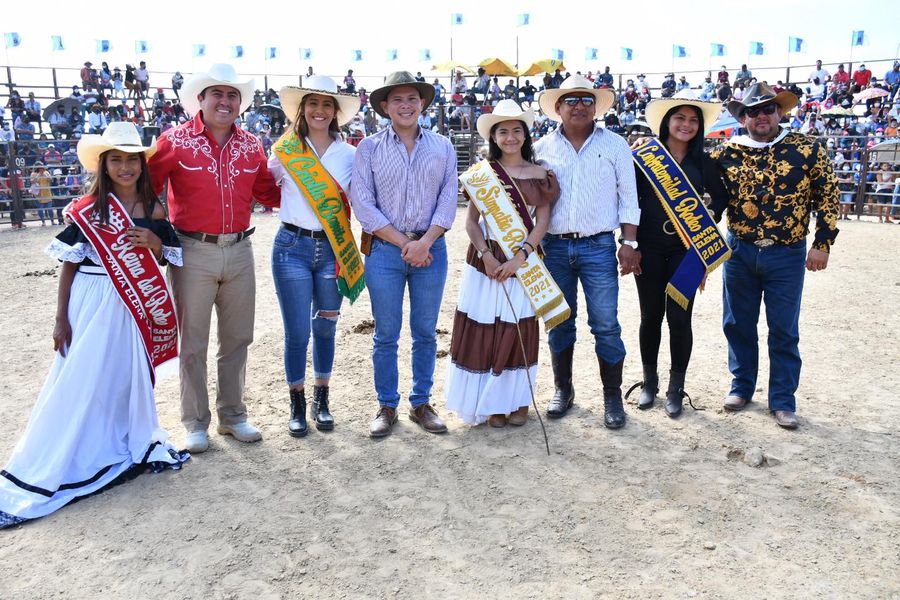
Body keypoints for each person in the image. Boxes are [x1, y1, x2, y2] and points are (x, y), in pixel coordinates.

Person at [0, 123, 188, 529]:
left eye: (132, 160)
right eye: (116, 160)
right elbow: (68, 266)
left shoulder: (154, 208)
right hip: (91, 300)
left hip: (132, 306)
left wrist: (155, 243)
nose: (125, 167)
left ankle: (118, 438)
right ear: (104, 166)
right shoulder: (89, 209)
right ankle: (68, 450)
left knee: (123, 376)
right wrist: (60, 318)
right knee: (82, 377)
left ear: (142, 165)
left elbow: (169, 257)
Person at [147, 64, 281, 453]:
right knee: (192, 340)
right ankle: (194, 421)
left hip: (240, 249)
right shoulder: (173, 141)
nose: (225, 101)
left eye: (232, 95)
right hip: (192, 250)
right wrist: (156, 234)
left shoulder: (252, 145)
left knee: (238, 337)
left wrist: (313, 185)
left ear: (240, 102)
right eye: (217, 94)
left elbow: (269, 194)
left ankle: (233, 415)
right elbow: (147, 189)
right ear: (201, 99)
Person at [711, 82, 839, 429]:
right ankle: (741, 386)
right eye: (753, 111)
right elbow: (698, 184)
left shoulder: (807, 149)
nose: (761, 116)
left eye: (768, 109)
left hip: (788, 252)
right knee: (737, 323)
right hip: (739, 250)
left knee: (783, 328)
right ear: (743, 118)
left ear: (780, 112)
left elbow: (828, 196)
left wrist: (822, 243)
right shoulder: (725, 153)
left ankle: (782, 399)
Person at [350, 71, 457, 438]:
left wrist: (425, 242)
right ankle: (386, 404)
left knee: (425, 331)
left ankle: (421, 402)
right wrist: (406, 244)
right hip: (385, 251)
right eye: (397, 99)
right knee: (386, 332)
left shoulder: (443, 147)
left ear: (422, 103)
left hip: (431, 249)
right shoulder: (368, 148)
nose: (406, 105)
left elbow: (448, 199)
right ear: (385, 106)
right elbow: (363, 204)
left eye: (412, 98)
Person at [533, 74, 641, 429]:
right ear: (558, 107)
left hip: (598, 244)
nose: (579, 106)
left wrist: (629, 243)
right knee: (559, 321)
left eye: (585, 100)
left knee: (606, 324)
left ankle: (612, 395)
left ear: (595, 107)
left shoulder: (615, 145)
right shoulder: (541, 149)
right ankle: (563, 389)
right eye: (571, 100)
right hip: (554, 245)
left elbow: (629, 196)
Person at [445, 100, 559, 427]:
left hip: (524, 260)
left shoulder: (542, 175)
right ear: (494, 137)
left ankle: (518, 401)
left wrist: (519, 258)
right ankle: (491, 403)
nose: (510, 137)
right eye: (503, 131)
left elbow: (542, 223)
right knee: (485, 326)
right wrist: (487, 255)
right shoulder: (482, 175)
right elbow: (470, 223)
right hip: (486, 261)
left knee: (518, 326)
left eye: (516, 130)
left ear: (526, 134)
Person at [268, 76, 364, 437]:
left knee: (325, 327)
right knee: (296, 333)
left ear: (335, 112)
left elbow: (361, 199)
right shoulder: (285, 151)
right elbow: (265, 189)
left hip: (332, 250)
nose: (319, 111)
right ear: (302, 109)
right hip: (291, 247)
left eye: (327, 105)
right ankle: (296, 402)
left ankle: (322, 399)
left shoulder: (350, 155)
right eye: (313, 104)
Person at [629, 90, 728, 417]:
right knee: (650, 316)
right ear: (667, 122)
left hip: (688, 252)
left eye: (693, 120)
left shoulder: (705, 162)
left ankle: (675, 387)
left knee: (680, 318)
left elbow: (720, 199)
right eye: (680, 118)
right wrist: (630, 244)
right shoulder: (644, 157)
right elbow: (629, 201)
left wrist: (706, 220)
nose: (686, 124)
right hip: (648, 248)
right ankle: (649, 383)